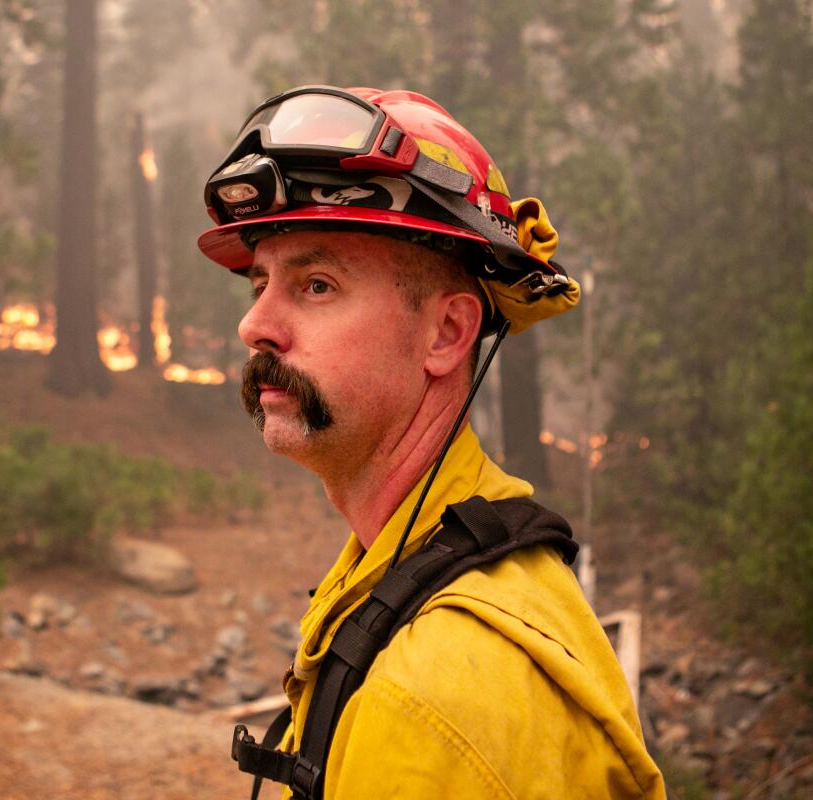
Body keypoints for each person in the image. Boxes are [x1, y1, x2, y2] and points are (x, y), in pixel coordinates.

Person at [198, 85, 665, 799]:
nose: (255, 324)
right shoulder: (437, 556)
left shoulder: (428, 699)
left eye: (316, 285)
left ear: (446, 334)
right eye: (260, 284)